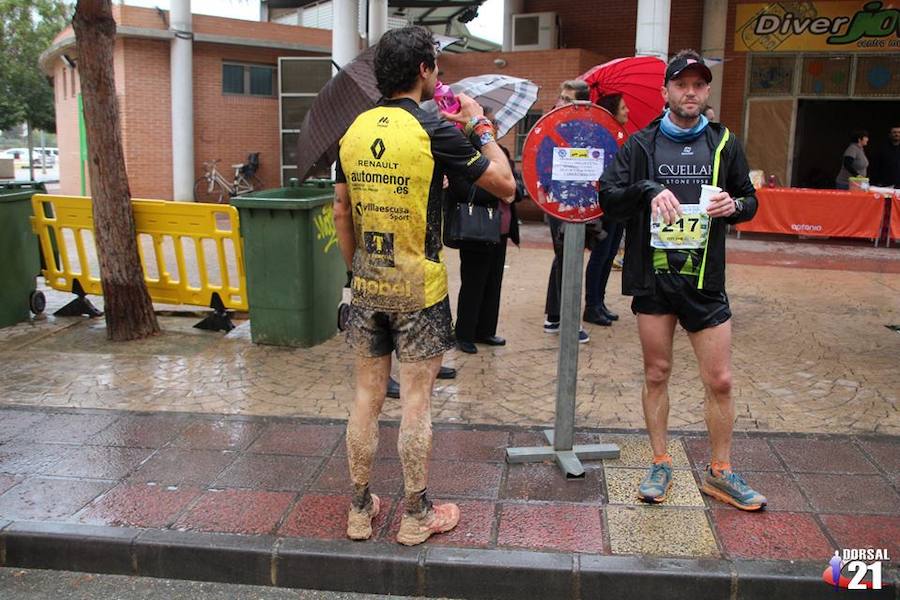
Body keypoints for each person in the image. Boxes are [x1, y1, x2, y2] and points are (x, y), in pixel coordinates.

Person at [333, 26, 515, 545]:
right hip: (421, 288)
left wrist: (358, 271)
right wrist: (480, 127)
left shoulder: (352, 130)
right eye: (436, 65)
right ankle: (415, 515)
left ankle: (359, 508)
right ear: (423, 71)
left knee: (366, 396)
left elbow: (342, 210)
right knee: (416, 400)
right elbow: (505, 186)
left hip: (368, 283)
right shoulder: (436, 128)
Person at [598, 49, 767, 511]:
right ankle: (660, 461)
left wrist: (735, 207)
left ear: (707, 91)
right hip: (654, 279)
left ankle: (720, 472)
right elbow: (608, 198)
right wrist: (648, 190)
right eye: (681, 85)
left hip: (705, 280)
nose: (689, 92)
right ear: (666, 91)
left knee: (722, 380)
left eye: (698, 85)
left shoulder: (724, 142)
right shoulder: (640, 145)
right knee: (657, 373)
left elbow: (750, 200)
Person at [449, 125, 521, 354]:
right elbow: (461, 190)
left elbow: (515, 186)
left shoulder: (501, 154)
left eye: (492, 126)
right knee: (473, 283)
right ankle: (464, 334)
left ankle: (486, 330)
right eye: (485, 126)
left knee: (493, 282)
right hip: (476, 230)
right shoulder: (464, 154)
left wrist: (511, 191)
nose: (490, 130)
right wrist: (500, 191)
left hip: (500, 230)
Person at [544, 79, 592, 342]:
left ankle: (555, 316)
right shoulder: (553, 128)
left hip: (579, 202)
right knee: (566, 256)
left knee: (564, 256)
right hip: (558, 202)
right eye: (561, 97)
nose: (560, 103)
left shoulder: (587, 130)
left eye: (568, 99)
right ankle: (568, 321)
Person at [583, 93, 629, 326]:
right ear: (612, 112)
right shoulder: (600, 138)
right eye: (623, 108)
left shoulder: (621, 137)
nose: (627, 111)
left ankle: (599, 302)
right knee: (600, 256)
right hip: (604, 205)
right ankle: (591, 306)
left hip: (619, 206)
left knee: (610, 254)